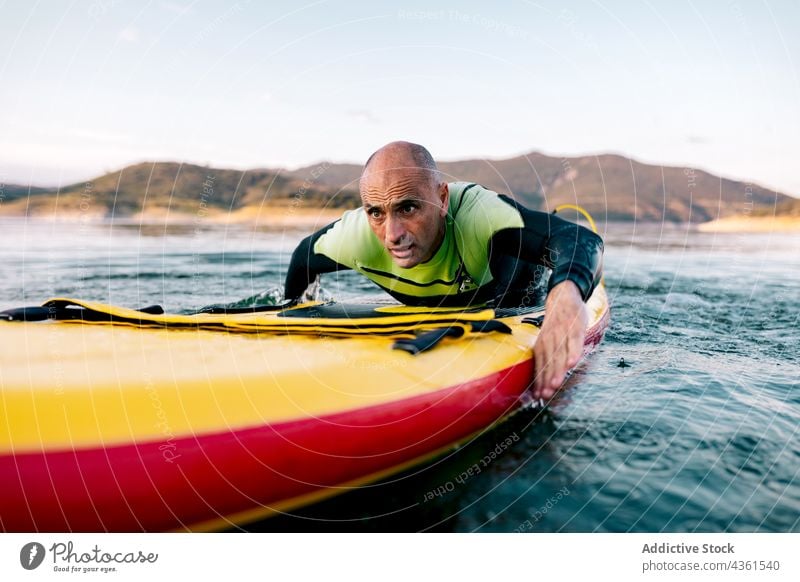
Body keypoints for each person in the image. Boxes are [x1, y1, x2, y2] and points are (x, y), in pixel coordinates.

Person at [284, 141, 603, 400]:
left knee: (563, 394)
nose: (392, 234)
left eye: (408, 208)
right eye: (376, 213)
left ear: (442, 198)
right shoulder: (356, 237)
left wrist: (565, 297)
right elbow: (302, 259)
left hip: (514, 292)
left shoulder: (481, 217)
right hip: (447, 308)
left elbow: (580, 239)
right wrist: (293, 313)